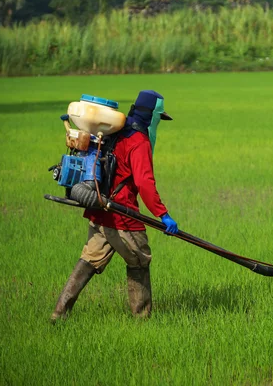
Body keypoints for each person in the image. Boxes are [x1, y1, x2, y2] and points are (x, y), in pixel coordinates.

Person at [51, 90, 179, 322]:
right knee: (139, 260)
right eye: (159, 118)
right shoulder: (138, 141)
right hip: (122, 214)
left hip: (99, 208)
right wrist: (164, 215)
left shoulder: (115, 132)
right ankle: (142, 320)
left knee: (89, 259)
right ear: (152, 116)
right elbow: (144, 183)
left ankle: (58, 314)